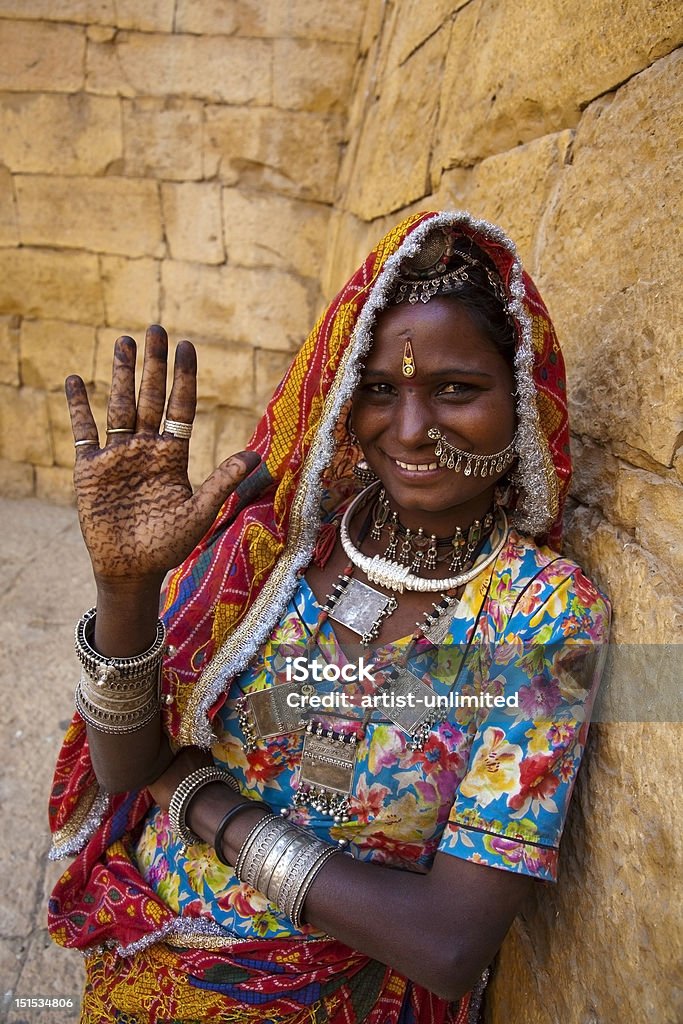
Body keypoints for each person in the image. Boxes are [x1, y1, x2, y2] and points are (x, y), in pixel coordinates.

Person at [48, 211, 610, 1023]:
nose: (411, 430)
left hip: (334, 997)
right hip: (145, 955)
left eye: (457, 388)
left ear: (522, 397)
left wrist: (207, 804)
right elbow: (125, 764)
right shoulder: (279, 543)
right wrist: (124, 587)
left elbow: (447, 947)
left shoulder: (543, 613)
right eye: (379, 390)